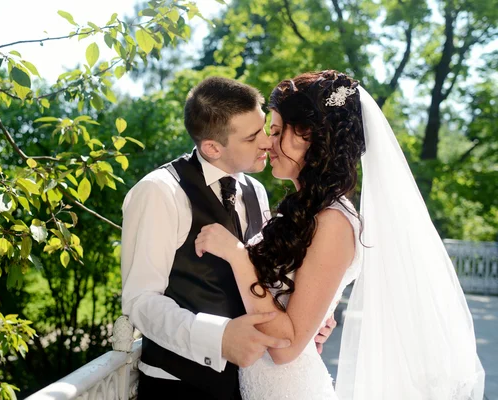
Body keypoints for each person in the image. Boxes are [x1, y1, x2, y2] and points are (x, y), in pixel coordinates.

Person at [195, 70, 485, 399]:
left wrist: (236, 255)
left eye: (276, 132)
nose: (266, 143)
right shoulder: (302, 212)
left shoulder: (334, 222)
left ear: (307, 134)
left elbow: (285, 346)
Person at [120, 77, 337, 400]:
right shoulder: (159, 192)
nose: (268, 142)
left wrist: (308, 315)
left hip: (249, 385)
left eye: (264, 128)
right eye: (252, 137)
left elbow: (264, 276)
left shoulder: (256, 191)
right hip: (178, 386)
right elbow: (140, 301)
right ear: (212, 147)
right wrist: (218, 339)